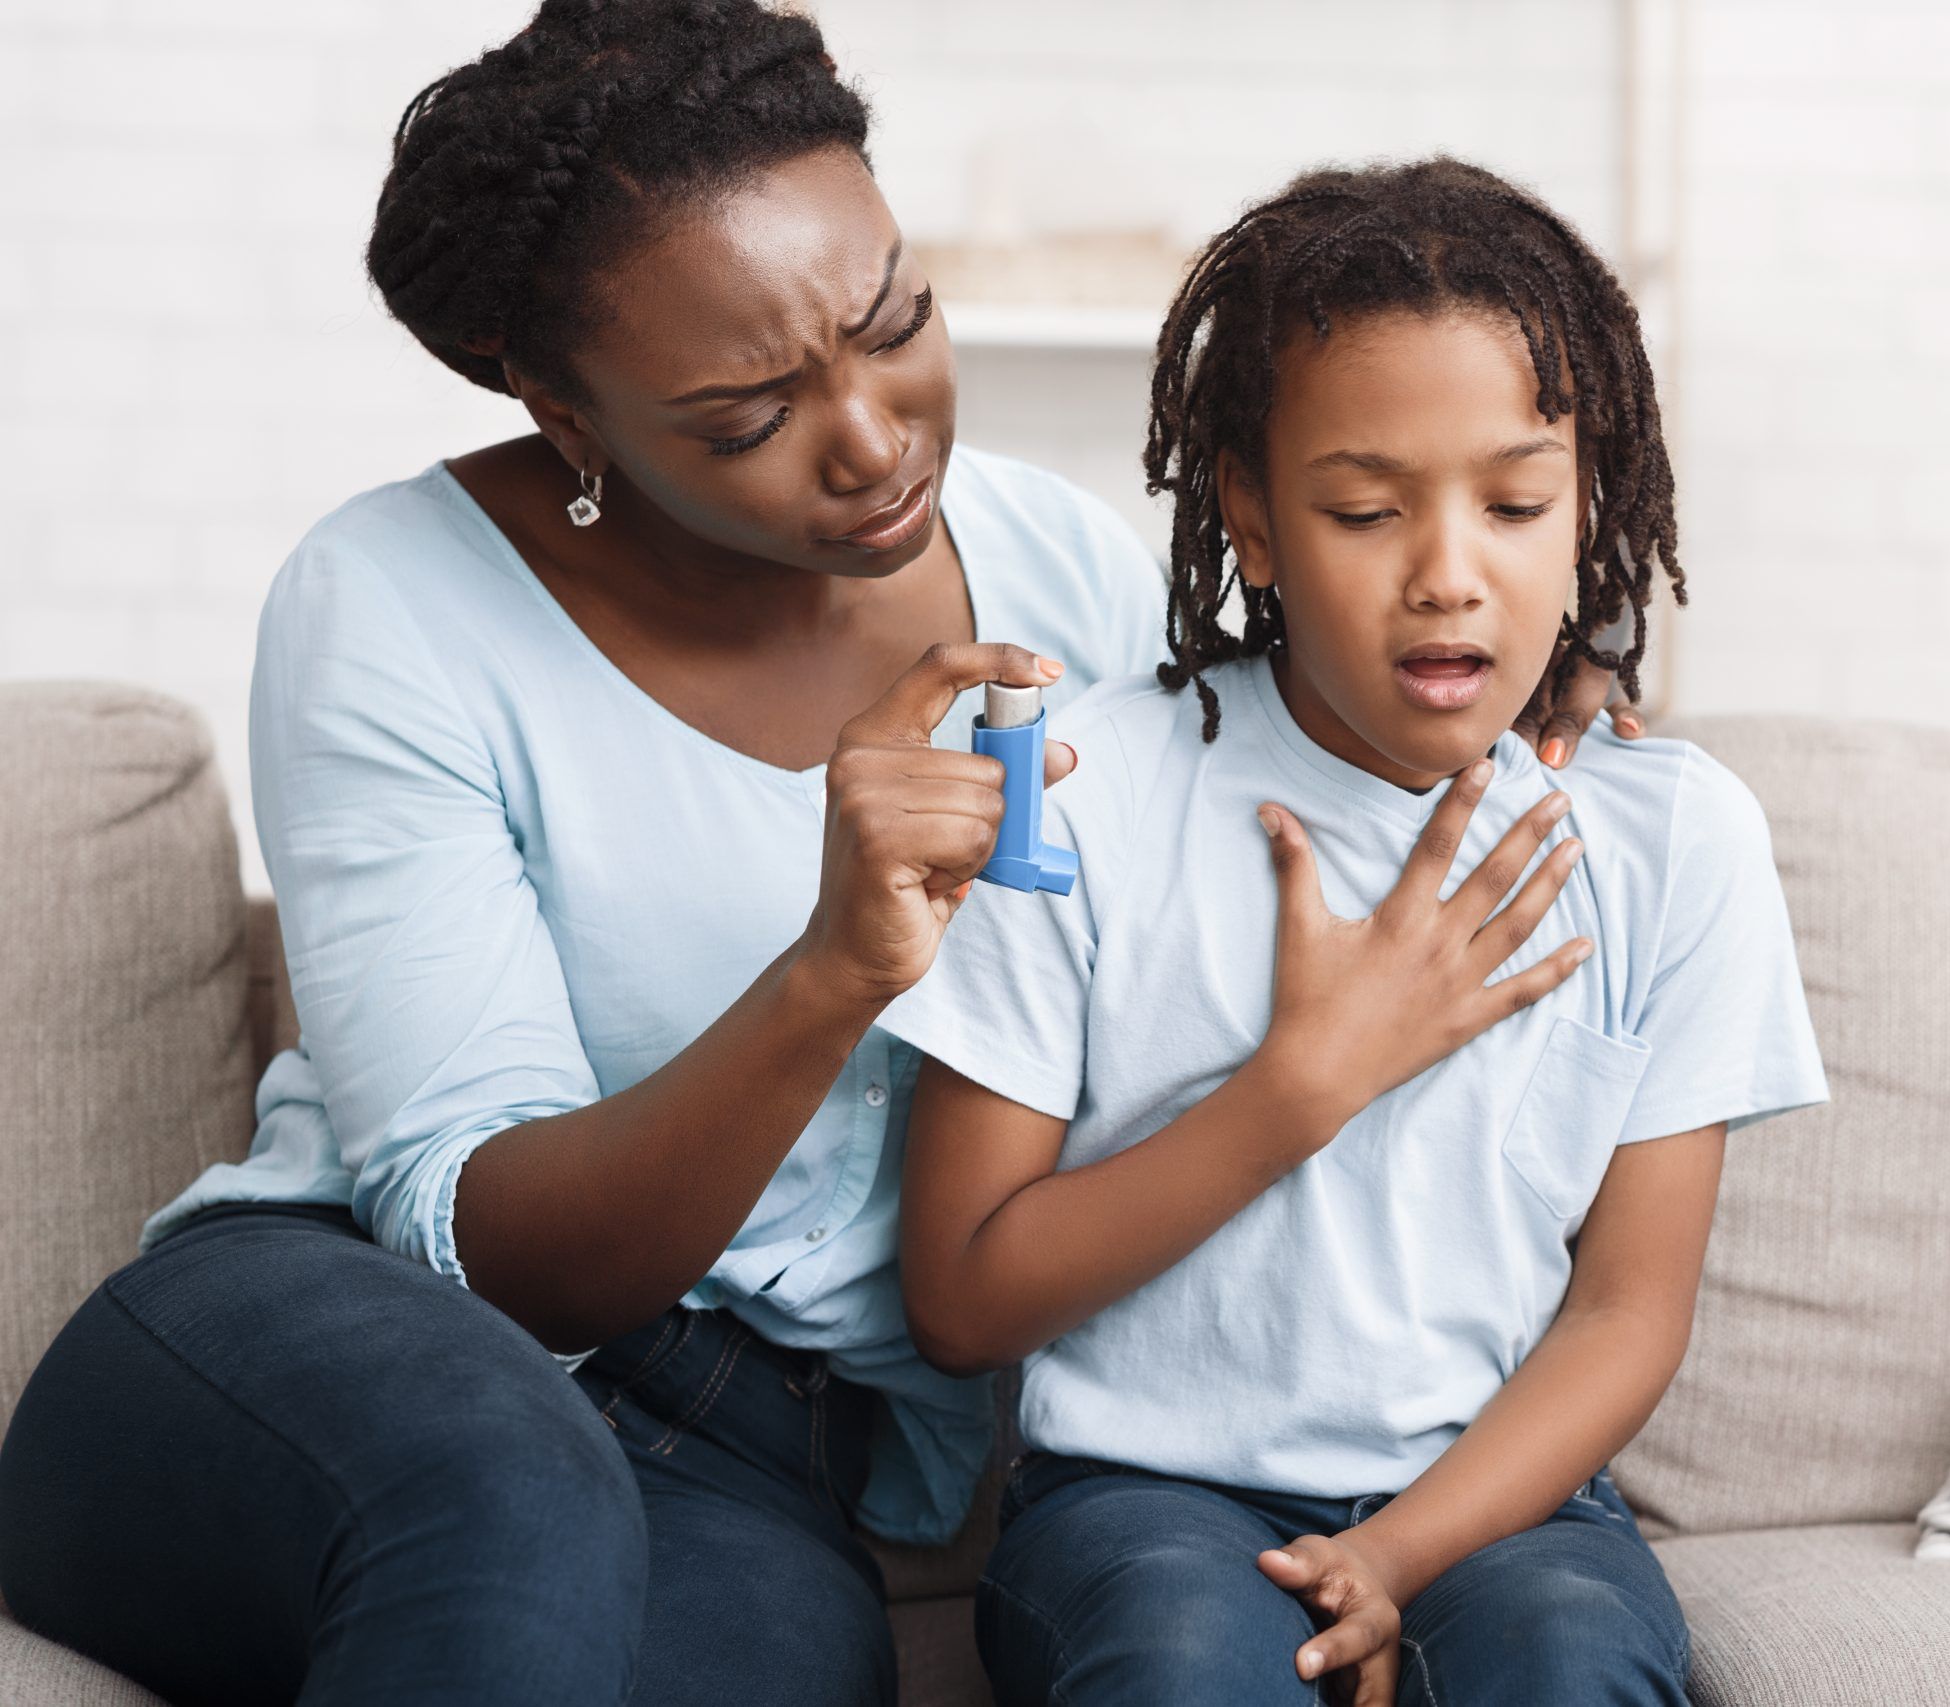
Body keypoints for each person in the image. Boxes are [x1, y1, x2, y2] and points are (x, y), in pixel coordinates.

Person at [0, 8, 1641, 1705]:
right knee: (509, 1493)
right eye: (743, 414)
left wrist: (1560, 668)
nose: (872, 437)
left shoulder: (1057, 574)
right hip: (352, 1344)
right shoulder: (393, 606)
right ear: (566, 409)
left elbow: (1346, 666)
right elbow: (481, 1251)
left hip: (753, 1449)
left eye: (897, 323)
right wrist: (830, 971)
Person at [882, 158, 1832, 1707]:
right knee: (1181, 1670)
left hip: (1506, 1500)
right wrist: (1302, 1087)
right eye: (1367, 508)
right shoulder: (1085, 790)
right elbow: (963, 1295)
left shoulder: (1674, 839)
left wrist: (1398, 1551)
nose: (1450, 572)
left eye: (1517, 503)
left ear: (1590, 505)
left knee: (1571, 1667)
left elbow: (1627, 1309)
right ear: (1250, 515)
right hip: (1146, 1498)